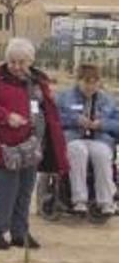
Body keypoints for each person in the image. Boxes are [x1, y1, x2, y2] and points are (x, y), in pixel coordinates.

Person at [0, 38, 68, 250]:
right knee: (5, 189)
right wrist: (6, 116)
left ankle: (19, 233)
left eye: (22, 62)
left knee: (25, 189)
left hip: (31, 146)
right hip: (2, 146)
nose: (16, 67)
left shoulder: (38, 81)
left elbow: (48, 109)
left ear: (30, 61)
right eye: (12, 62)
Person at [56, 64, 119, 215]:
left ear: (99, 82)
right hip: (74, 138)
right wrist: (74, 119)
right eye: (86, 82)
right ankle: (79, 200)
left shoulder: (108, 100)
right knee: (78, 151)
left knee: (102, 155)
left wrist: (102, 124)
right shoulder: (64, 97)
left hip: (100, 139)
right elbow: (55, 118)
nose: (90, 86)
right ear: (78, 80)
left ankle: (106, 202)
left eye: (94, 82)